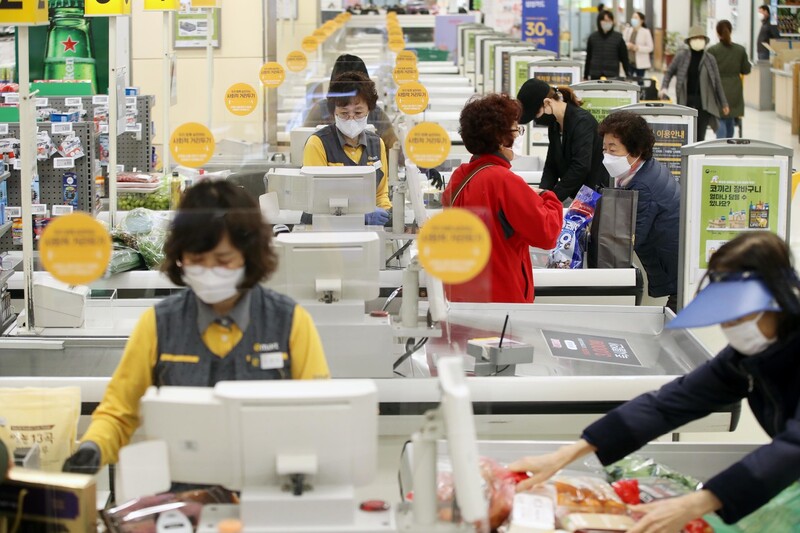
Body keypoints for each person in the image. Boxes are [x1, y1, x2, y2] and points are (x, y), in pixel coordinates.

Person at [510, 231, 800, 532]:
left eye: (739, 316)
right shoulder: (748, 356)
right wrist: (564, 455)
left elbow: (794, 446)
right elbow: (668, 404)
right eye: (724, 317)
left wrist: (696, 503)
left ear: (779, 298)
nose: (730, 328)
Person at [62, 182, 331, 473]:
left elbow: (318, 413)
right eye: (196, 260)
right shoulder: (158, 325)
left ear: (249, 254)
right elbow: (119, 413)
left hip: (267, 491)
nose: (210, 271)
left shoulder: (290, 323)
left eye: (223, 260)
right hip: (181, 500)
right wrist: (94, 446)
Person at [441, 93, 563, 303]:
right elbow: (546, 234)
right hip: (502, 299)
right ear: (500, 138)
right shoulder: (504, 181)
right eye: (516, 129)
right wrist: (547, 196)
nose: (517, 136)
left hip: (462, 294)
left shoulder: (460, 177)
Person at [597, 112, 679, 311]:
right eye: (604, 148)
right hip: (671, 262)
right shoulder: (641, 170)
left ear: (635, 150)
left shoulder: (643, 186)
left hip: (673, 267)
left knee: (674, 316)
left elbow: (631, 237)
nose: (607, 155)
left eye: (613, 149)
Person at [303, 71, 391, 226]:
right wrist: (360, 217)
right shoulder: (317, 144)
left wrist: (387, 213)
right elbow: (315, 203)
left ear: (369, 111)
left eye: (358, 112)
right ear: (333, 113)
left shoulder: (377, 144)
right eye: (344, 113)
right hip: (325, 232)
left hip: (368, 234)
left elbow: (380, 194)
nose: (351, 119)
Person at [517, 78, 609, 202]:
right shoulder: (555, 124)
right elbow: (551, 164)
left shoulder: (582, 122)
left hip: (592, 195)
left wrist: (553, 197)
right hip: (575, 194)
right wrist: (542, 194)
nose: (537, 120)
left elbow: (581, 166)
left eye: (536, 114)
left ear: (547, 103)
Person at [302, 54, 399, 153]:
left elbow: (394, 150)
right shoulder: (320, 111)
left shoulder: (376, 114)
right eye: (344, 113)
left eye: (358, 113)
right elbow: (301, 145)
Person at [660, 26, 729, 142]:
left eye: (700, 37)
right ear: (690, 40)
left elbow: (717, 82)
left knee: (700, 136)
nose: (698, 40)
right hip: (686, 102)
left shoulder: (710, 59)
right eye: (695, 38)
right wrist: (664, 87)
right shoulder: (681, 56)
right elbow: (669, 72)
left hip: (703, 104)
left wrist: (724, 103)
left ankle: (697, 159)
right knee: (685, 135)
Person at [707, 20, 751, 139]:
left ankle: (721, 146)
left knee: (720, 118)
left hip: (718, 88)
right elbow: (746, 69)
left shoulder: (712, 51)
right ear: (730, 31)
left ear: (717, 33)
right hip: (735, 89)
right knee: (730, 118)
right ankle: (729, 145)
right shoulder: (740, 50)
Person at [585, 10, 631, 80]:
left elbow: (624, 58)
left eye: (609, 20)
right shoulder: (592, 37)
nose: (607, 23)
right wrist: (585, 75)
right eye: (604, 20)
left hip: (612, 74)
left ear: (612, 22)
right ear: (599, 21)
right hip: (595, 74)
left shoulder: (618, 37)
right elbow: (588, 57)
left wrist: (628, 74)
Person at [623, 11, 654, 78]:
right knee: (628, 80)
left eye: (636, 18)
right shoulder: (628, 30)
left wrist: (638, 48)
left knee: (640, 81)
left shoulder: (645, 32)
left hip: (641, 62)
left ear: (641, 20)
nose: (633, 19)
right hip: (629, 61)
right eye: (633, 17)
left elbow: (650, 47)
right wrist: (628, 45)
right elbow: (623, 42)